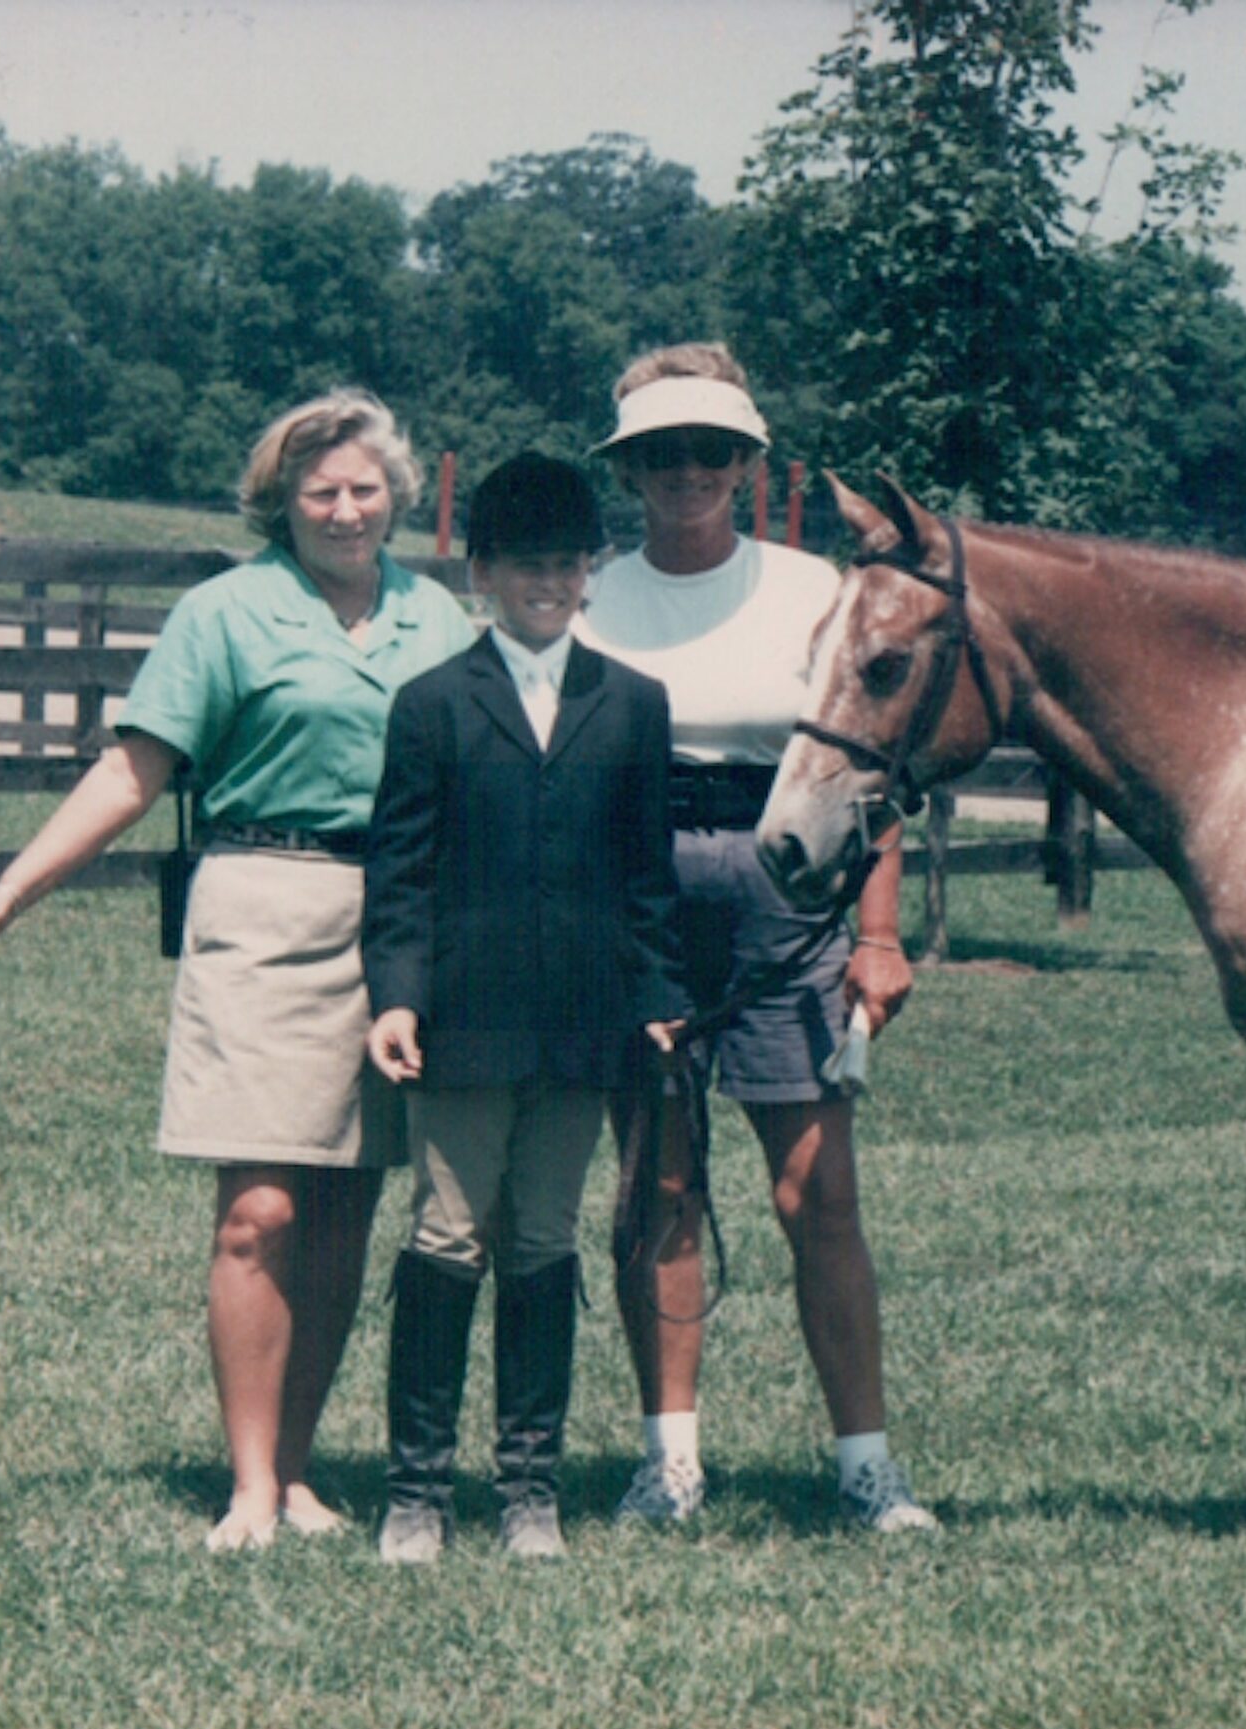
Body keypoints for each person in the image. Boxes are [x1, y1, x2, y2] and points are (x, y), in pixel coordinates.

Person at [0, 389, 477, 1551]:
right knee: (257, 1213)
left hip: (404, 926)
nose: (344, 507)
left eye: (365, 487)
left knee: (341, 1210)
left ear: (398, 497)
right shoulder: (223, 615)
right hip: (262, 908)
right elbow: (132, 774)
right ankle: (251, 1485)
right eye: (318, 489)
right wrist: (7, 896)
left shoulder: (442, 618)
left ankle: (305, 1470)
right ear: (280, 500)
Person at [578, 342, 934, 1534]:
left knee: (813, 1190)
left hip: (788, 882)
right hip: (637, 889)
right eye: (659, 456)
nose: (686, 474)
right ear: (628, 471)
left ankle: (865, 1468)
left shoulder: (809, 590)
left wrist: (875, 935)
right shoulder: (593, 592)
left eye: (710, 454)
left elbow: (863, 762)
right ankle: (667, 1463)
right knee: (660, 1180)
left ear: (744, 463)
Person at [361, 454, 685, 1563]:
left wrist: (658, 999)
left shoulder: (634, 705)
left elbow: (648, 877)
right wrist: (396, 999)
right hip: (464, 1023)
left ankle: (529, 1490)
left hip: (586, 1026)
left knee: (544, 1239)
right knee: (447, 1235)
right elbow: (399, 875)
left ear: (589, 573)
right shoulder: (433, 705)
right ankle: (417, 1492)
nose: (547, 585)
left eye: (566, 565)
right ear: (482, 571)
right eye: (525, 567)